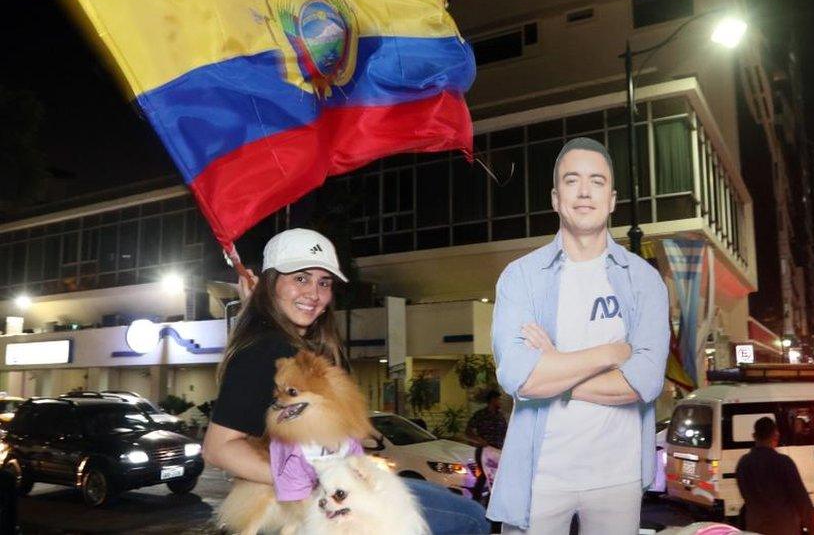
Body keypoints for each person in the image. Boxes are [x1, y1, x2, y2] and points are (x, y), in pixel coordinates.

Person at [202, 228, 488, 535]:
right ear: (271, 284)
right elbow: (218, 449)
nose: (314, 293)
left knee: (458, 508)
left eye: (323, 282)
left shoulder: (290, 346)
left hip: (339, 483)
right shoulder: (266, 349)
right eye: (301, 278)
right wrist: (310, 480)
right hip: (310, 503)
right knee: (470, 517)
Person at [487, 138, 670, 534]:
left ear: (612, 199)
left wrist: (557, 370)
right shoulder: (521, 278)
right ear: (555, 198)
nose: (584, 191)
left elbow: (645, 381)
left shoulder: (644, 281)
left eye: (597, 181)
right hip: (539, 474)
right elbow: (520, 377)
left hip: (617, 477)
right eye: (572, 181)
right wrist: (612, 352)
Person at [735, 417, 814, 535]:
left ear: (754, 436)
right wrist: (813, 529)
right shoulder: (783, 462)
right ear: (776, 435)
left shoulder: (743, 463)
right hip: (784, 527)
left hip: (755, 527)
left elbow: (746, 496)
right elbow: (801, 498)